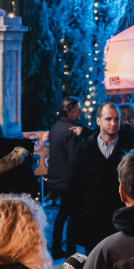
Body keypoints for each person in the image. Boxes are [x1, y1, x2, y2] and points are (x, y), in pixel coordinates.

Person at [71, 103, 134, 250]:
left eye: (117, 119)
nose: (113, 123)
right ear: (98, 121)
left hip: (121, 222)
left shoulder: (131, 148)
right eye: (108, 119)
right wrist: (78, 218)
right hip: (92, 223)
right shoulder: (84, 149)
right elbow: (75, 186)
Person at [48, 98, 85, 257]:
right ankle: (70, 249)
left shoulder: (55, 127)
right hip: (69, 179)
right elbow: (73, 159)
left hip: (57, 177)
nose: (81, 112)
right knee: (72, 213)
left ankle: (56, 246)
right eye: (78, 109)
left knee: (63, 212)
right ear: (69, 111)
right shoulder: (71, 130)